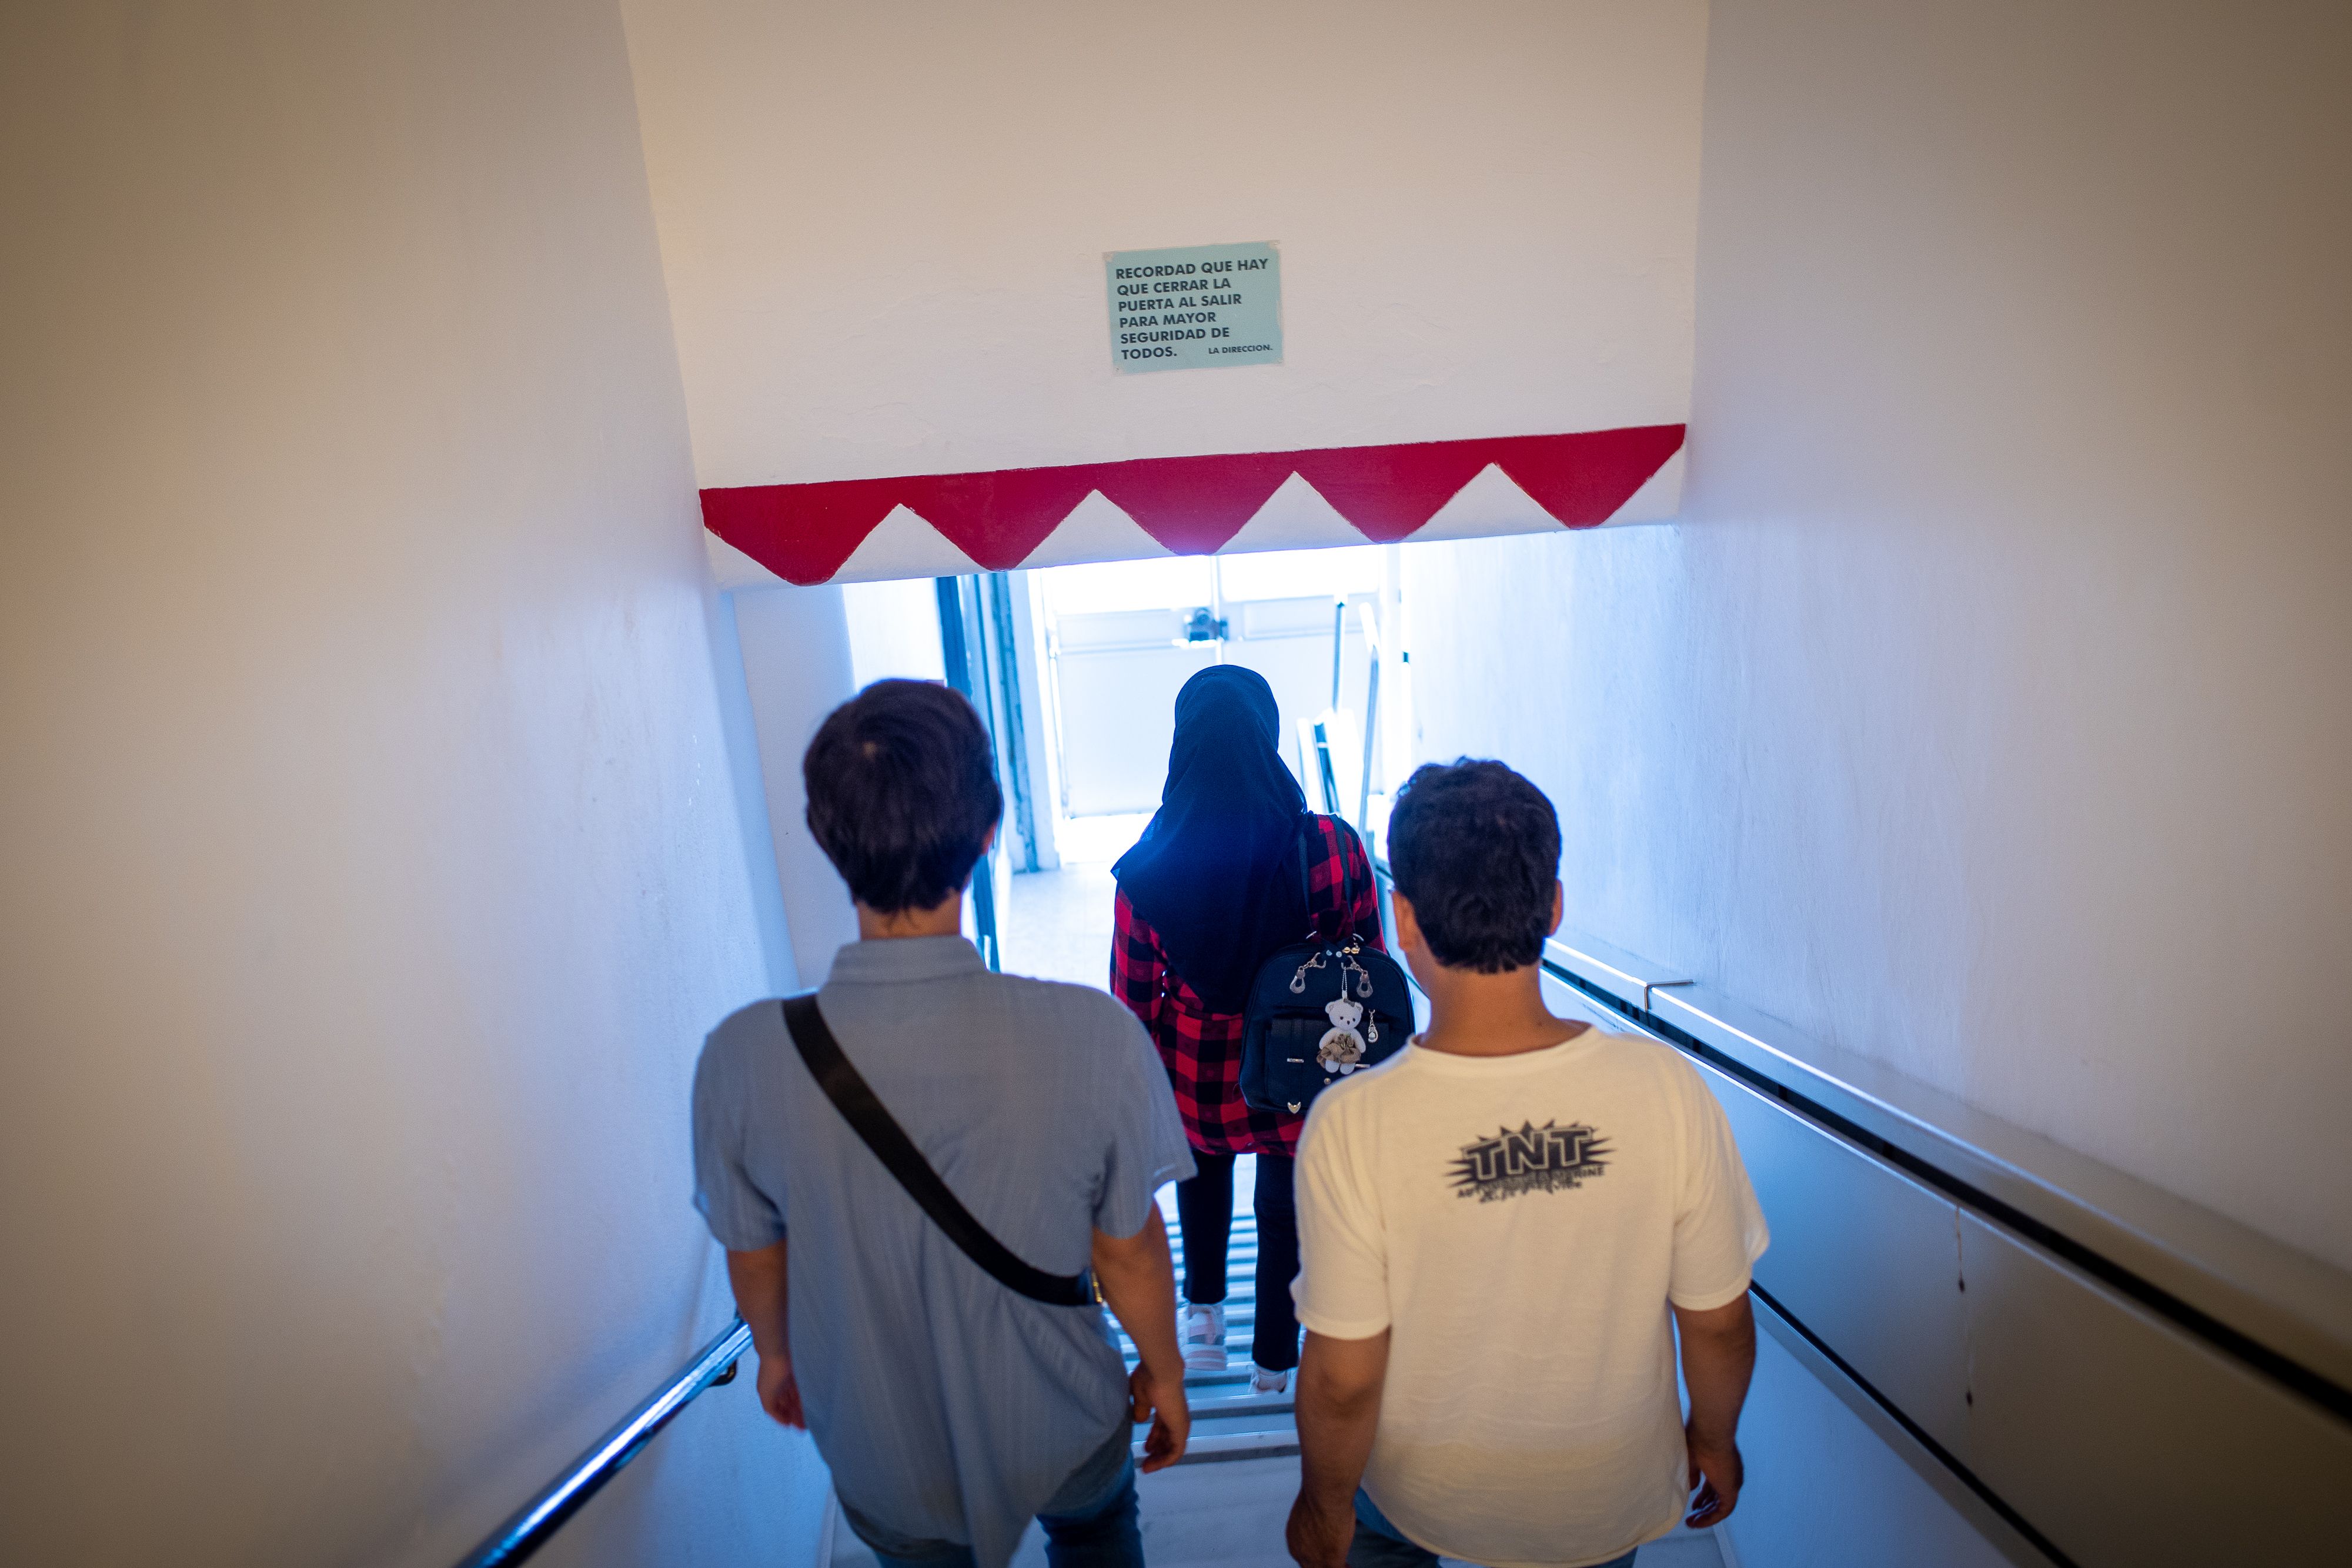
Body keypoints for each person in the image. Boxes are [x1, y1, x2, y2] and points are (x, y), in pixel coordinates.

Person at [691, 680, 1195, 1568]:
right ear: (991, 827)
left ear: (824, 833)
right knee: (1096, 1536)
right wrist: (1166, 1368)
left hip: (884, 1446)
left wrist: (774, 1355)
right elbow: (1126, 1250)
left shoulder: (741, 1057)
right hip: (1067, 1419)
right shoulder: (1096, 1034)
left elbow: (757, 1250)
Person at [1284, 760, 1769, 1568]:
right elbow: (1717, 1318)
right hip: (1600, 1492)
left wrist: (1322, 1503)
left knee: (1370, 1522)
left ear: (1402, 918)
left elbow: (1343, 1375)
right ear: (1554, 904)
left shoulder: (1351, 1124)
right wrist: (1713, 1436)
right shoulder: (1664, 1088)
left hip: (1416, 1489)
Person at [1110, 665, 1384, 1395]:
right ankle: (1273, 1358)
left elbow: (1131, 997)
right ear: (1267, 736)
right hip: (1304, 1068)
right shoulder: (1331, 844)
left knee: (1201, 1175)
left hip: (1197, 1074)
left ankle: (1201, 1321)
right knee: (1285, 1202)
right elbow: (1369, 961)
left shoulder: (1149, 861)